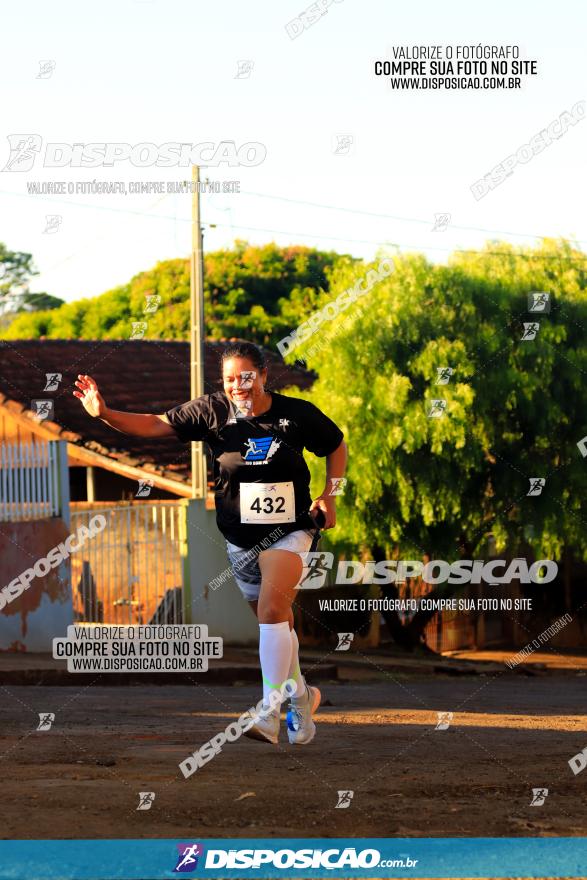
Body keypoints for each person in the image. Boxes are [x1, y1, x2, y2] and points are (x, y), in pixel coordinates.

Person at [73, 341, 347, 746]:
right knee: (276, 623)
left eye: (246, 377)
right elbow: (153, 424)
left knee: (273, 608)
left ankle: (270, 711)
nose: (238, 386)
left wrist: (330, 495)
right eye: (230, 379)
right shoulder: (211, 411)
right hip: (239, 536)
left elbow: (336, 446)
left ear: (264, 376)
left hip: (292, 528)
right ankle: (303, 697)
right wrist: (105, 413)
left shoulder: (296, 414)